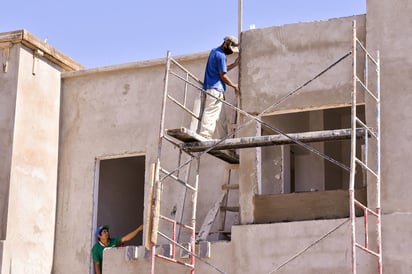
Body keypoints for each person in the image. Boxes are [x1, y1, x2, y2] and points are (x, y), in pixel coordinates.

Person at [198, 35, 240, 140]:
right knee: (211, 112)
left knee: (221, 119)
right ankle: (205, 135)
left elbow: (221, 70)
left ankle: (224, 140)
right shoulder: (221, 55)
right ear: (226, 44)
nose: (230, 51)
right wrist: (234, 86)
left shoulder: (214, 51)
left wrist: (234, 65)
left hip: (215, 90)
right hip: (215, 90)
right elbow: (222, 75)